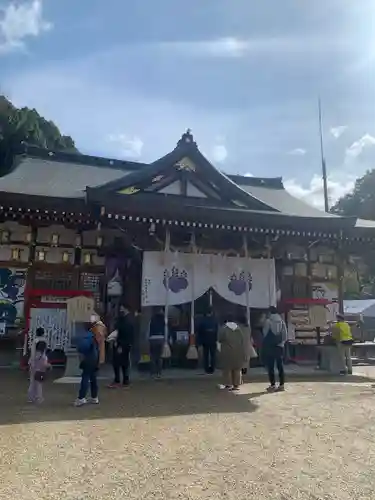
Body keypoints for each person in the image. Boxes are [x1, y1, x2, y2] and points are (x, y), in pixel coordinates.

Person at [218, 314, 250, 391]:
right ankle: (236, 385)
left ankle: (228, 384)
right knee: (237, 368)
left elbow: (220, 338)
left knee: (227, 369)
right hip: (238, 350)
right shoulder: (238, 329)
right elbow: (242, 340)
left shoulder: (224, 328)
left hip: (227, 350)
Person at [74, 321, 101, 407]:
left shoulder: (87, 336)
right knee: (93, 379)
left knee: (85, 378)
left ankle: (81, 398)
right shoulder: (94, 336)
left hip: (88, 359)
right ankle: (94, 397)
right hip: (94, 359)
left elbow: (82, 348)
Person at [108, 305, 134, 388]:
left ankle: (118, 380)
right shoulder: (128, 319)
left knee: (117, 362)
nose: (120, 310)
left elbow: (122, 332)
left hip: (121, 344)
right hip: (124, 344)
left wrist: (119, 343)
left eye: (122, 308)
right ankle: (125, 380)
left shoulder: (124, 320)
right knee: (124, 363)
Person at [262, 306, 287, 392]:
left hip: (270, 347)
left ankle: (272, 385)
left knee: (271, 366)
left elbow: (265, 334)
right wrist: (281, 343)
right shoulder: (282, 321)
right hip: (280, 347)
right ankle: (282, 385)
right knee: (280, 366)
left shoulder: (268, 321)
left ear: (270, 313)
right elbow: (285, 336)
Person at [198, 307, 219, 374]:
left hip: (205, 340)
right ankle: (212, 368)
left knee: (206, 355)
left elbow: (200, 332)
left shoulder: (203, 321)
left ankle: (206, 368)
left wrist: (200, 342)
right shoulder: (215, 321)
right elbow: (217, 331)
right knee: (213, 355)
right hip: (213, 340)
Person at [149, 307, 166, 378]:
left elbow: (149, 329)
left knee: (153, 356)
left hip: (152, 338)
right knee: (159, 357)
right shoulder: (163, 319)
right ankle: (159, 372)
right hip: (161, 338)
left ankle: (153, 372)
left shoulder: (152, 319)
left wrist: (148, 338)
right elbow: (165, 329)